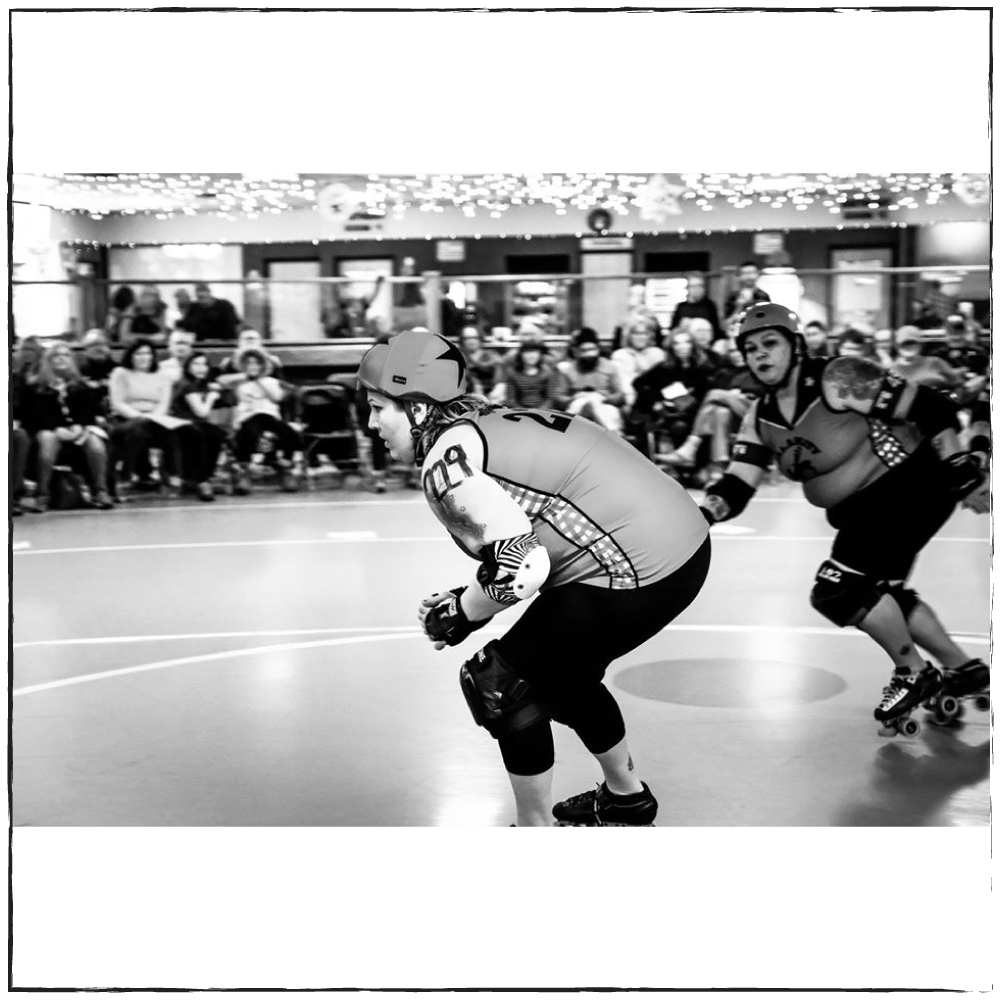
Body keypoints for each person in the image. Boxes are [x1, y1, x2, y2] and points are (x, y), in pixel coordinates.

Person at [357, 330, 711, 826]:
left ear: (416, 407)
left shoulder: (446, 460)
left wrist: (463, 613)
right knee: (562, 672)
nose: (372, 423)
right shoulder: (483, 418)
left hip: (635, 563)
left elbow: (522, 567)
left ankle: (534, 828)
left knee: (498, 682)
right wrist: (470, 600)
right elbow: (523, 548)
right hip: (678, 545)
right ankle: (626, 797)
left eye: (378, 407)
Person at [699, 303, 989, 734]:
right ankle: (964, 670)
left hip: (909, 483)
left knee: (837, 591)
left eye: (771, 343)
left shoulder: (836, 379)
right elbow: (738, 485)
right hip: (864, 509)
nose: (761, 355)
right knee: (884, 594)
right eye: (751, 348)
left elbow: (930, 407)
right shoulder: (759, 417)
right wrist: (701, 514)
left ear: (795, 346)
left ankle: (914, 672)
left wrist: (960, 465)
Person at [20, 343, 114, 512]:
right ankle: (42, 494)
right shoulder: (35, 387)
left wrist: (79, 425)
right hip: (49, 429)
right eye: (56, 356)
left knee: (95, 444)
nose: (61, 359)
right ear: (48, 361)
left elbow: (89, 410)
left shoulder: (81, 386)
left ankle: (100, 491)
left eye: (65, 355)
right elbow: (33, 414)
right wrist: (56, 428)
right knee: (48, 441)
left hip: (78, 428)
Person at [108, 338, 188, 496]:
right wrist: (139, 417)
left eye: (148, 353)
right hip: (126, 420)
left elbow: (164, 404)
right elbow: (118, 403)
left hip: (155, 420)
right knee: (137, 431)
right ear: (131, 356)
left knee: (171, 433)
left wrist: (152, 418)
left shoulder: (162, 376)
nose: (144, 357)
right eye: (139, 353)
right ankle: (126, 477)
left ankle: (174, 477)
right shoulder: (120, 373)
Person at [229, 348, 301, 495]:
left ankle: (286, 467)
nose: (253, 366)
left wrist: (259, 381)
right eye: (249, 363)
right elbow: (223, 384)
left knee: (290, 433)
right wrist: (245, 377)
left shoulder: (271, 382)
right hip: (249, 417)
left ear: (262, 365)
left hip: (269, 417)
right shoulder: (239, 384)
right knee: (248, 433)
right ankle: (244, 472)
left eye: (256, 363)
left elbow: (277, 397)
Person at [170, 352, 230, 502]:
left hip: (197, 423)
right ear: (188, 367)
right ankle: (200, 480)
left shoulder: (202, 384)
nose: (200, 368)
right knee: (199, 435)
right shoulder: (187, 385)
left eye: (204, 364)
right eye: (196, 364)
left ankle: (204, 477)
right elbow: (201, 412)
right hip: (182, 424)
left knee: (217, 434)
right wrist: (211, 397)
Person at [553, 328, 627, 434]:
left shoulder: (609, 367)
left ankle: (611, 433)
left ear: (598, 349)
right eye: (585, 350)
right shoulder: (568, 370)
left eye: (593, 349)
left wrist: (605, 397)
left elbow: (620, 395)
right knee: (587, 402)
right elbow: (558, 398)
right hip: (578, 407)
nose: (590, 354)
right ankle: (615, 436)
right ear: (577, 352)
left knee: (603, 407)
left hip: (604, 404)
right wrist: (573, 397)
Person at [610, 320, 666, 409]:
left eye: (644, 333)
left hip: (656, 401)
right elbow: (624, 384)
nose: (641, 337)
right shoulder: (620, 355)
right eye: (636, 333)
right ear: (629, 336)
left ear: (649, 336)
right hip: (630, 401)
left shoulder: (658, 354)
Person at [889, 326, 963, 391]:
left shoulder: (935, 362)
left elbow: (958, 385)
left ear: (920, 345)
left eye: (913, 343)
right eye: (905, 343)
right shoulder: (892, 370)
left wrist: (954, 403)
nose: (909, 346)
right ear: (898, 346)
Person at [493, 337, 557, 410]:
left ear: (540, 354)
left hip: (544, 412)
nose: (531, 356)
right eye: (527, 352)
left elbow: (550, 398)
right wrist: (524, 411)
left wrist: (540, 411)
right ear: (521, 355)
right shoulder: (513, 374)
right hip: (519, 412)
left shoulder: (547, 373)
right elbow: (511, 399)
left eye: (535, 352)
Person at [669, 272, 722, 342]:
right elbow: (672, 331)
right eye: (692, 286)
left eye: (699, 286)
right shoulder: (681, 307)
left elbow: (716, 330)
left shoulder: (710, 305)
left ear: (704, 288)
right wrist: (681, 327)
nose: (695, 289)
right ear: (687, 288)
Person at [218, 328, 284, 379]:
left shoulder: (272, 361)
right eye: (247, 339)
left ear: (260, 342)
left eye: (253, 339)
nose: (250, 342)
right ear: (239, 342)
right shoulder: (229, 363)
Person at [458, 327, 499, 398]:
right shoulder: (458, 357)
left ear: (480, 339)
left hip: (491, 396)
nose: (471, 341)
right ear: (462, 341)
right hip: (465, 397)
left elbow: (501, 373)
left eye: (474, 337)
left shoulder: (491, 355)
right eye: (467, 338)